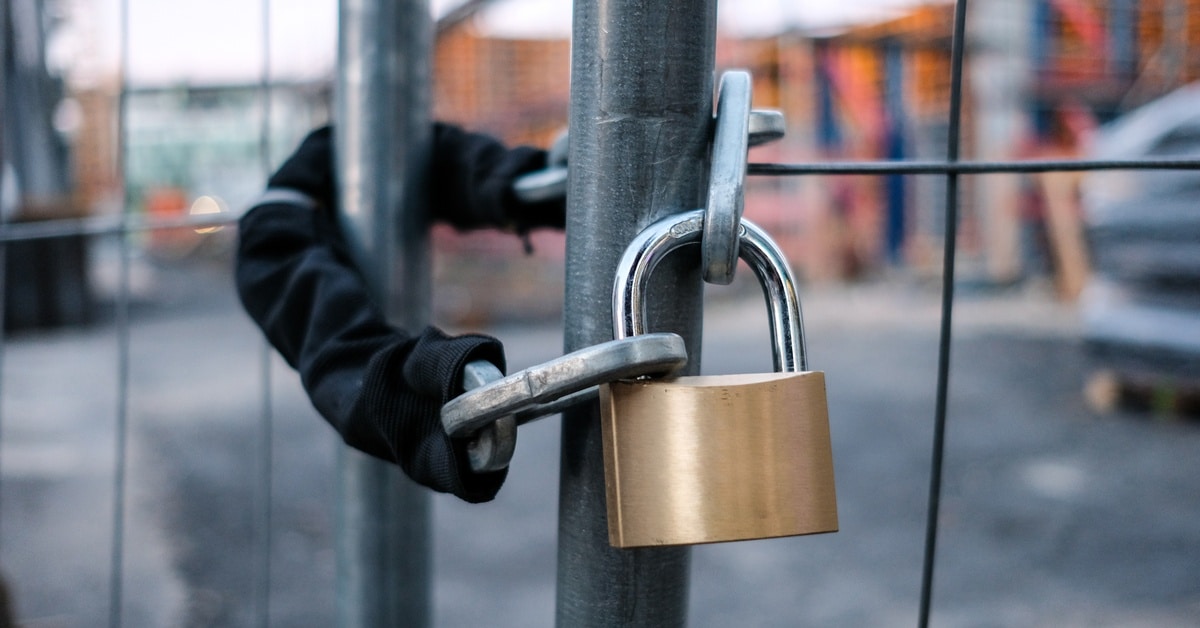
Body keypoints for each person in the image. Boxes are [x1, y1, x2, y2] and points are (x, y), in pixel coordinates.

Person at [235, 124, 564, 503]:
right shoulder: (292, 208)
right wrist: (421, 397)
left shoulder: (372, 145)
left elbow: (433, 157)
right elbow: (335, 348)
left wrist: (534, 181)